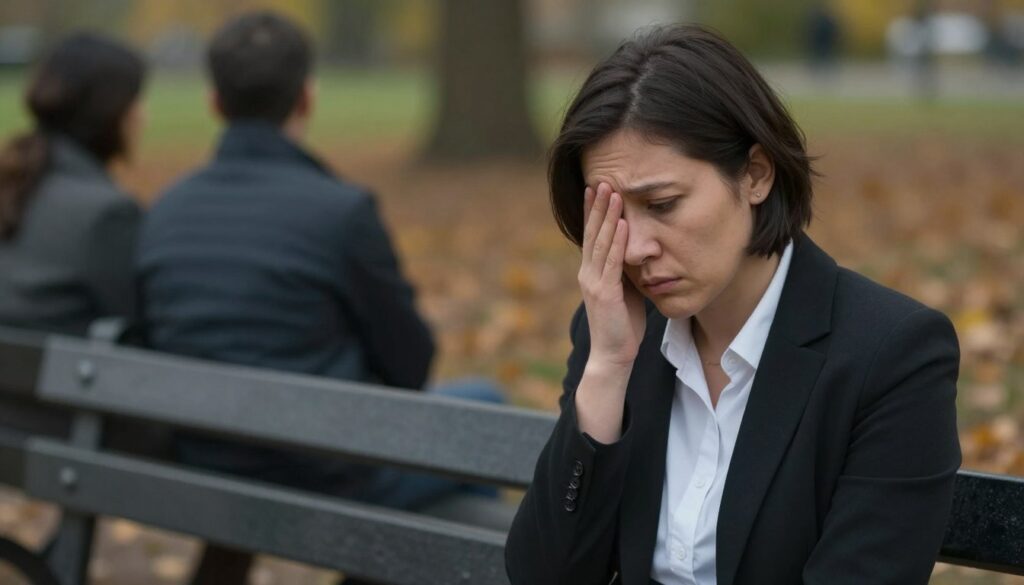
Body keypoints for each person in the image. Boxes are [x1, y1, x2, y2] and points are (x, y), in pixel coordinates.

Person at [505, 25, 960, 585]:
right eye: (614, 218)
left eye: (664, 204)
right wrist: (604, 373)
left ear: (755, 175)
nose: (637, 249)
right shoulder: (619, 339)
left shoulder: (890, 355)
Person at [137, 11, 498, 585]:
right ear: (306, 99)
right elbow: (411, 365)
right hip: (322, 471)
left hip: (203, 461)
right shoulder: (340, 211)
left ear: (214, 104)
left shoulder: (165, 210)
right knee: (484, 405)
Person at [0, 33, 145, 437]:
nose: (143, 116)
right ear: (115, 113)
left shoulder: (17, 186)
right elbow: (148, 340)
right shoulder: (106, 215)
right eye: (136, 101)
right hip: (67, 445)